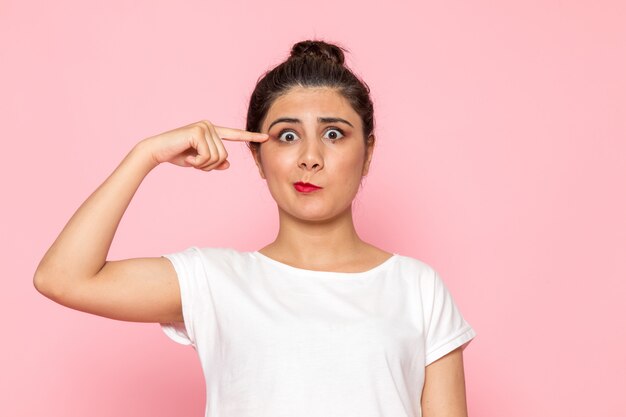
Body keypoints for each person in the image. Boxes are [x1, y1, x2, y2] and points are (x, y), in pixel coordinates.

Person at [34, 39, 476, 417]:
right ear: (257, 157)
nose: (309, 157)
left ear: (369, 151)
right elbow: (62, 278)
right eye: (287, 135)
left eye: (334, 134)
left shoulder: (417, 286)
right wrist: (145, 154)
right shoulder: (215, 280)